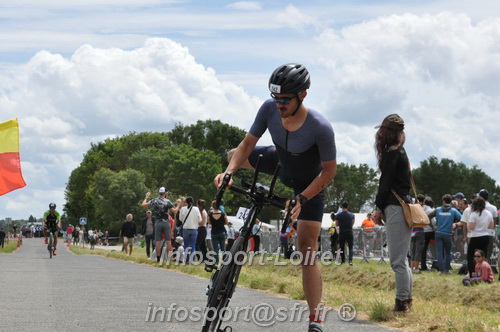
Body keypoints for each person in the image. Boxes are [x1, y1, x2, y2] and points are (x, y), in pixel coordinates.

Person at [214, 63, 337, 332]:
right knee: (232, 154)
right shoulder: (268, 109)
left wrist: (302, 199)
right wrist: (229, 173)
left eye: (285, 100)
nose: (278, 104)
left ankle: (315, 319)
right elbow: (247, 144)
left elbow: (329, 172)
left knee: (307, 249)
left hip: (308, 183)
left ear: (302, 95)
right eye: (275, 98)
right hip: (279, 161)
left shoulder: (320, 128)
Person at [372, 114, 413, 312]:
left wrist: (378, 207)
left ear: (386, 133)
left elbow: (385, 183)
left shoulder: (391, 153)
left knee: (397, 260)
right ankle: (406, 300)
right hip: (403, 205)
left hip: (395, 207)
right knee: (402, 259)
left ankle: (402, 303)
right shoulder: (401, 152)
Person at [142, 187, 179, 263]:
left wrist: (146, 197)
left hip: (157, 222)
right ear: (165, 193)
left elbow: (143, 205)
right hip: (166, 222)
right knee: (168, 241)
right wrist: (178, 204)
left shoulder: (154, 200)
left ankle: (158, 259)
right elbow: (174, 211)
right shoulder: (167, 201)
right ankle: (169, 259)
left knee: (158, 241)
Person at [428, 194, 462, 275]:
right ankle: (447, 270)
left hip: (438, 233)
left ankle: (441, 270)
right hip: (448, 233)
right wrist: (456, 224)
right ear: (450, 202)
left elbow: (428, 217)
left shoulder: (438, 209)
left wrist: (433, 226)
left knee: (439, 252)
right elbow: (462, 218)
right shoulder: (453, 211)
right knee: (447, 252)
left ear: (443, 201)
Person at [465, 196, 494, 278]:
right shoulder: (489, 213)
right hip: (485, 235)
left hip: (475, 236)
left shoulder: (474, 214)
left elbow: (471, 227)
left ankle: (472, 273)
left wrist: (468, 224)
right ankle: (485, 273)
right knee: (483, 256)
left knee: (470, 256)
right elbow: (491, 226)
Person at [179, 196, 202, 264]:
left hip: (186, 229)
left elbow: (180, 219)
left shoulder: (183, 209)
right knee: (192, 245)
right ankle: (192, 260)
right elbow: (200, 220)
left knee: (186, 245)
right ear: (193, 202)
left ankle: (186, 260)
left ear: (186, 202)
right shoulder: (196, 209)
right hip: (194, 229)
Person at [208, 200, 229, 264]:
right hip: (221, 231)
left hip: (214, 232)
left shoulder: (210, 214)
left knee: (215, 248)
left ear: (212, 206)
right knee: (223, 248)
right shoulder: (223, 214)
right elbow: (226, 222)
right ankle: (224, 260)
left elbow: (209, 223)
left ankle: (216, 261)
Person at [409, 195, 426, 274]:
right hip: (419, 231)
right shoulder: (421, 209)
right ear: (422, 202)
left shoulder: (411, 209)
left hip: (412, 232)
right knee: (418, 251)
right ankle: (416, 268)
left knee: (412, 251)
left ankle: (411, 268)